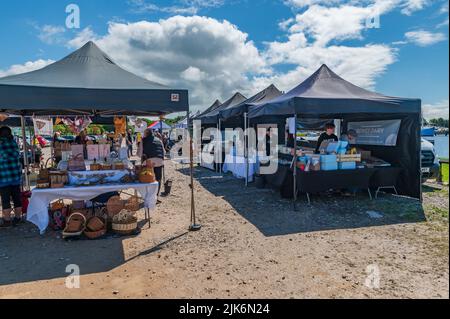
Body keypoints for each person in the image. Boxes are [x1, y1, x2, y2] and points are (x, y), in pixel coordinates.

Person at [0, 127, 23, 228]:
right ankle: (18, 218)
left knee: (5, 200)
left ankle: (7, 221)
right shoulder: (14, 143)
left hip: (4, 177)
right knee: (17, 198)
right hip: (15, 176)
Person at [139, 129, 165, 196]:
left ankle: (149, 195)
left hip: (148, 161)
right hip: (159, 161)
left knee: (147, 177)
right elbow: (164, 152)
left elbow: (139, 154)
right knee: (158, 179)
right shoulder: (159, 140)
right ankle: (156, 196)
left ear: (146, 134)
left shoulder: (143, 140)